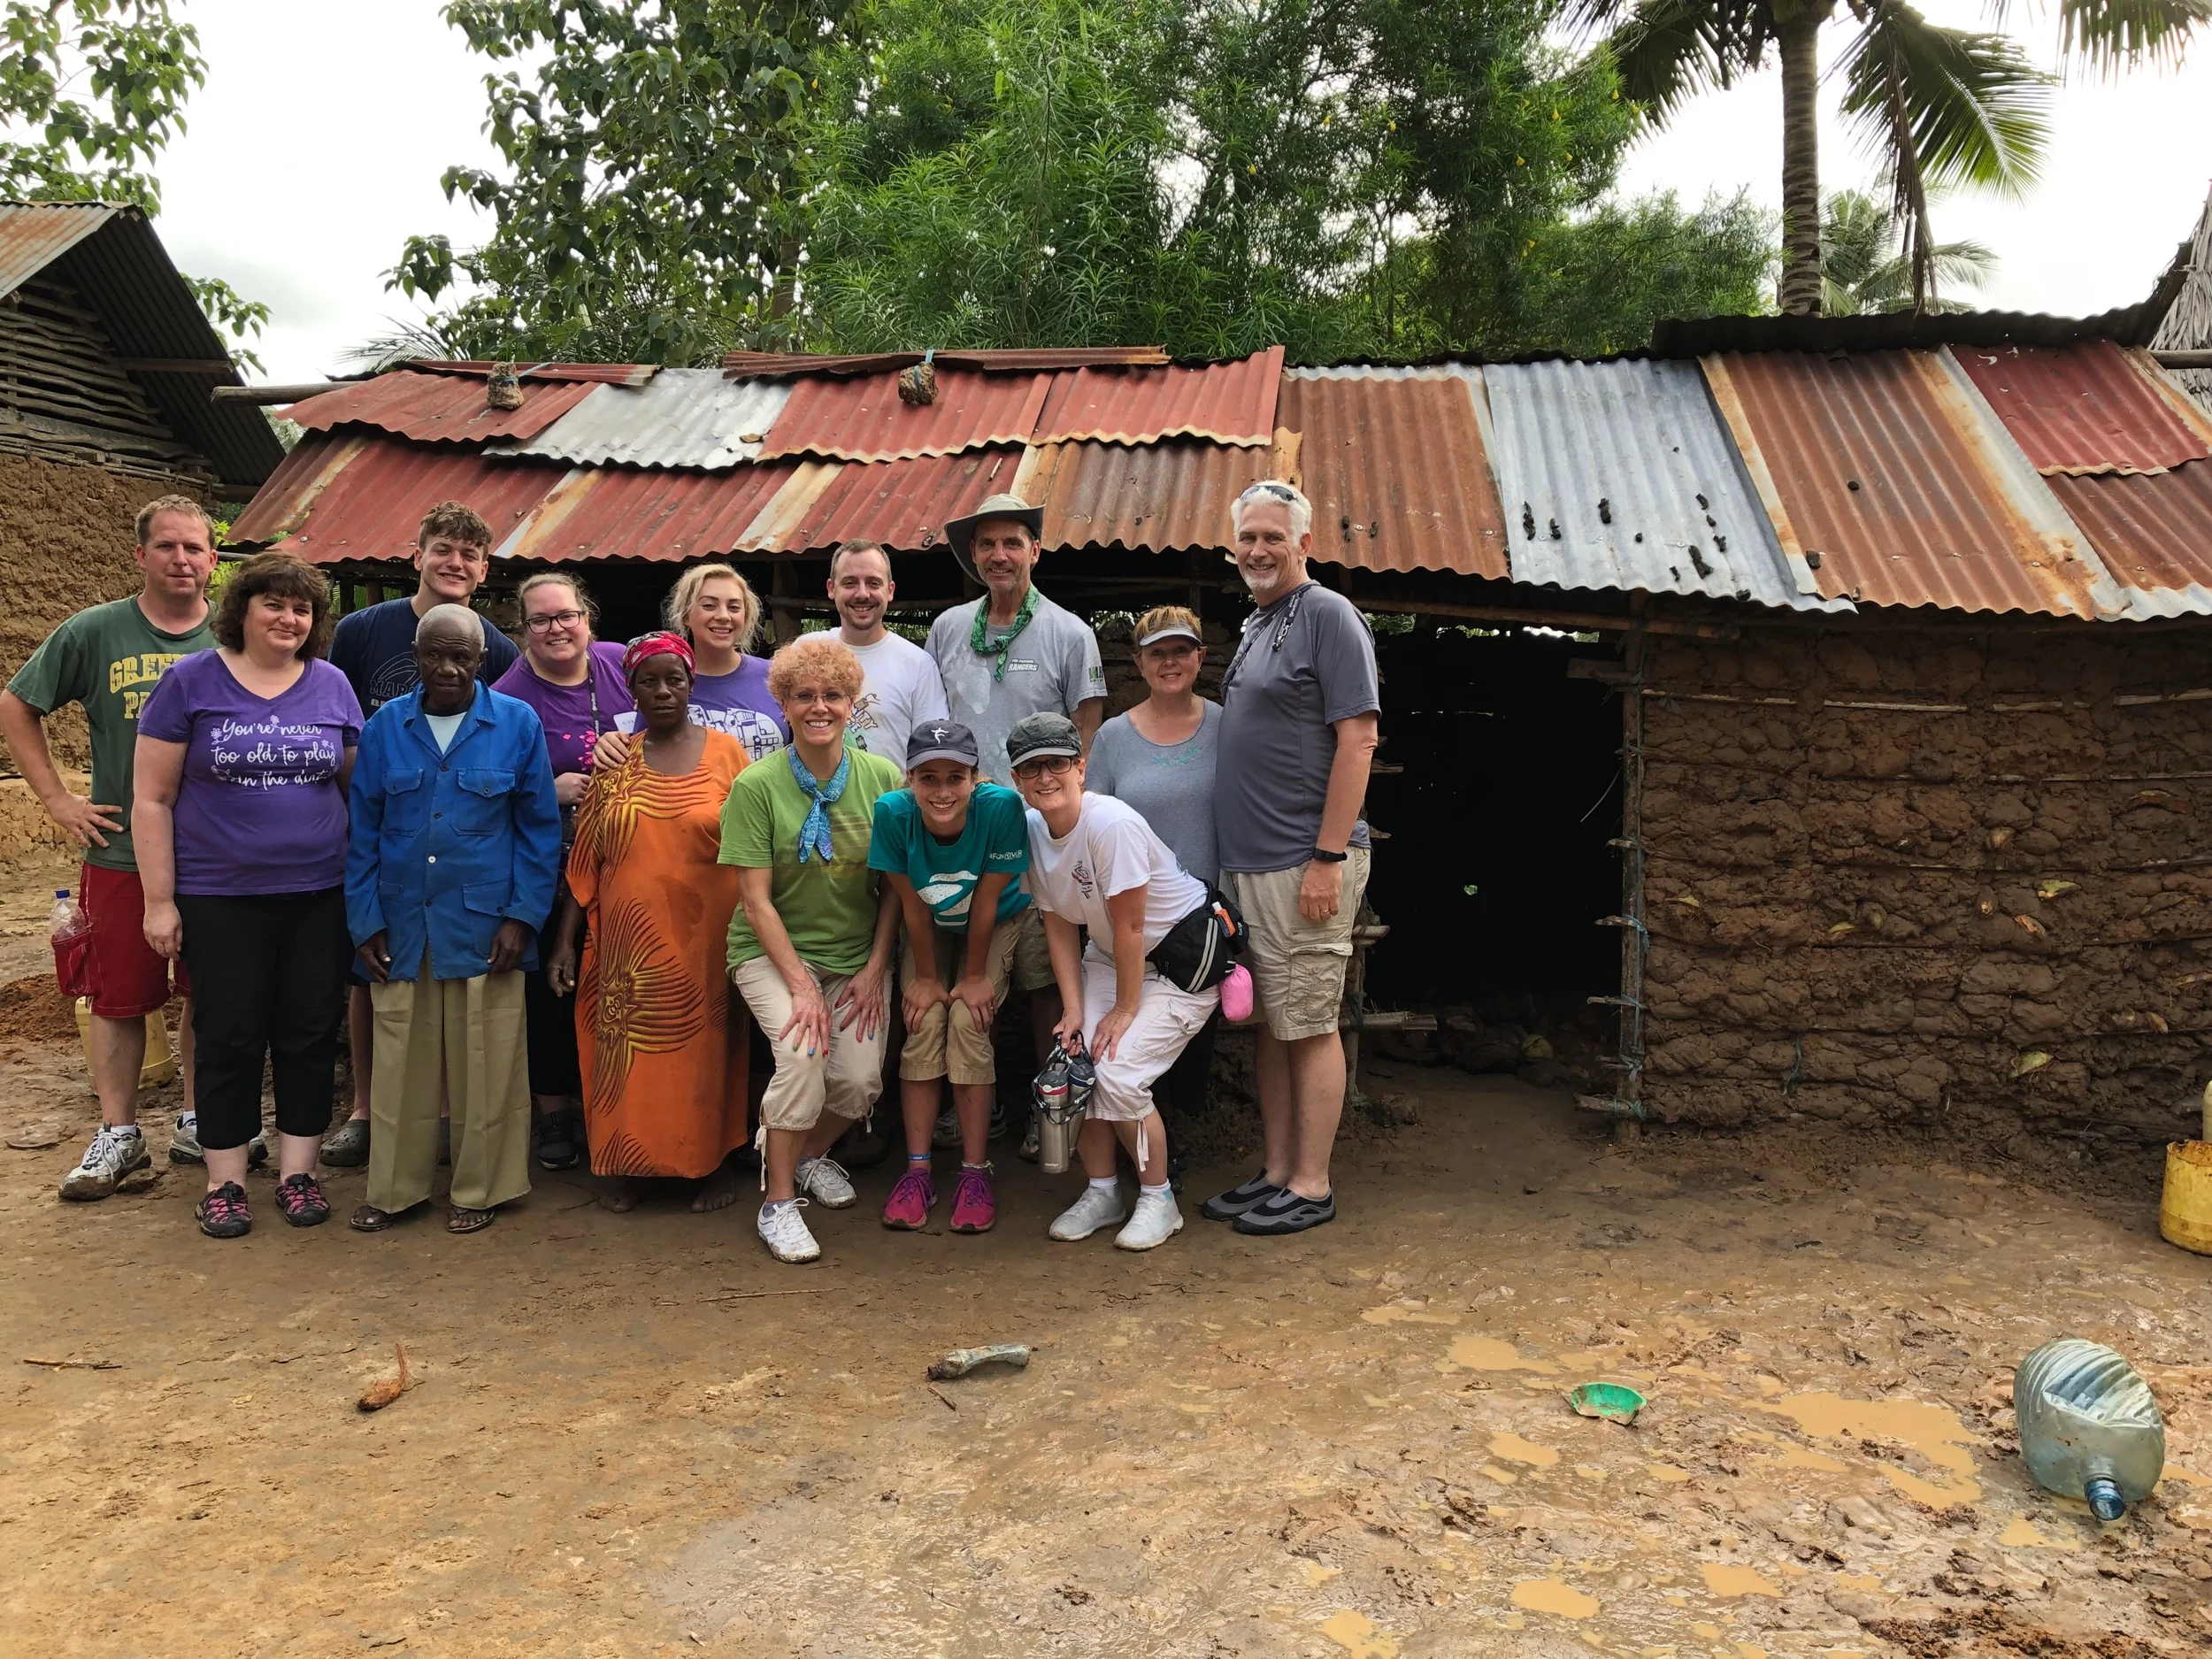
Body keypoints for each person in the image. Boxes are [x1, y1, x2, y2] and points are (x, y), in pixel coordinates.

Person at [132, 553, 362, 1238]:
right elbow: (151, 798)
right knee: (228, 1034)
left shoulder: (331, 685)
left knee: (308, 1032)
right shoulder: (191, 681)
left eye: (302, 608)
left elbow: (357, 790)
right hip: (219, 895)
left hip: (319, 893)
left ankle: (299, 1174)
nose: (289, 618)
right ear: (244, 609)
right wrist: (159, 900)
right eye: (275, 604)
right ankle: (225, 1182)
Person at [1, 495, 211, 1198]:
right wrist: (58, 800)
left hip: (215, 854)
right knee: (118, 996)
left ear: (212, 558)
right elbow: (16, 703)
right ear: (140, 555)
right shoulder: (95, 632)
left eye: (194, 547)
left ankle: (201, 1119)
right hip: (121, 851)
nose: (181, 559)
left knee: (210, 994)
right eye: (167, 546)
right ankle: (119, 1133)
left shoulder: (232, 636)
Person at [345, 604, 562, 1235]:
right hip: (401, 924)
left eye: (460, 657)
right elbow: (363, 832)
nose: (447, 668)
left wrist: (523, 917)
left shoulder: (516, 723)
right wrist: (364, 920)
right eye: (434, 655)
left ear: (481, 660)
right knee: (399, 1062)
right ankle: (395, 1191)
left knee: (487, 1063)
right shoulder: (385, 726)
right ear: (415, 656)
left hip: (487, 926)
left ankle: (480, 1188)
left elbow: (539, 831)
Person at [1202, 481, 1379, 1238]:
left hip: (1303, 859)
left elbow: (1359, 738)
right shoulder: (1259, 622)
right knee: (1274, 1025)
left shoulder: (1328, 615)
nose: (1258, 549)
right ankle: (1276, 1171)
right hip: (1253, 864)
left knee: (1308, 1022)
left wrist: (1328, 857)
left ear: (1304, 543)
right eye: (1247, 536)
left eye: (1273, 536)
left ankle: (1312, 1183)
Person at [322, 501, 520, 1171]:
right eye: (443, 549)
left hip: (464, 854)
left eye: (470, 555)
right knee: (374, 983)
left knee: (461, 1003)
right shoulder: (362, 631)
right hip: (383, 834)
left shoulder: (498, 650)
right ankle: (364, 1112)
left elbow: (506, 750)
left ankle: (449, 1126)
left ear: (484, 569)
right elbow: (337, 718)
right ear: (418, 556)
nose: (455, 563)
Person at [544, 634, 751, 1213]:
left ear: (691, 685)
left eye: (674, 680)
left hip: (707, 940)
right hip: (624, 948)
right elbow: (586, 858)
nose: (662, 691)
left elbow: (755, 845)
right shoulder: (615, 761)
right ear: (631, 689)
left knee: (706, 1055)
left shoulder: (727, 754)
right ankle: (634, 1166)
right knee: (628, 1056)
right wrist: (565, 941)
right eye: (648, 682)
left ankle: (708, 1166)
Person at [925, 493, 1106, 1150]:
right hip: (959, 829)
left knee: (1042, 977)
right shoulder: (949, 628)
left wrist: (1063, 821)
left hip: (1034, 832)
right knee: (966, 975)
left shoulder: (1068, 633)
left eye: (1012, 542)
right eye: (987, 544)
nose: (999, 555)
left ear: (1035, 550)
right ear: (973, 555)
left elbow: (1085, 733)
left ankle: (1048, 1102)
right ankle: (984, 1104)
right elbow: (935, 726)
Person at [720, 635, 902, 1264]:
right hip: (771, 952)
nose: (819, 707)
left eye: (832, 695)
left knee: (859, 1080)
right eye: (804, 695)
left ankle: (807, 1154)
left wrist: (876, 969)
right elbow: (755, 902)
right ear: (784, 704)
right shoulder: (756, 786)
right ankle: (777, 1202)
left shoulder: (882, 780)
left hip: (855, 955)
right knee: (802, 1056)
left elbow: (893, 889)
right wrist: (801, 985)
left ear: (852, 704)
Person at [1009, 712, 1217, 1252]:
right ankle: (1103, 1192)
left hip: (1178, 964)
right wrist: (1074, 1010)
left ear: (1081, 769)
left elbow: (1132, 928)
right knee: (1075, 1060)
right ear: (1017, 780)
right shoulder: (1033, 828)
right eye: (1031, 768)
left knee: (1120, 1074)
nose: (1045, 777)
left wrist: (1124, 1011)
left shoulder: (1111, 824)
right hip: (1108, 958)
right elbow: (1057, 921)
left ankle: (1158, 1198)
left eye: (1056, 764)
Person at [490, 572, 634, 1171]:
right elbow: (483, 787)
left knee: (621, 985)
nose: (557, 628)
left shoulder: (620, 664)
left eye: (567, 615)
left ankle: (617, 1109)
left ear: (586, 618)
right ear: (523, 628)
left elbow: (670, 719)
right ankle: (553, 1113)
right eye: (542, 619)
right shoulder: (506, 695)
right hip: (547, 867)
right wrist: (545, 792)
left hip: (626, 857)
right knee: (552, 991)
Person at [867, 720, 1028, 1235]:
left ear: (975, 779)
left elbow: (987, 898)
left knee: (967, 1021)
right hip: (931, 920)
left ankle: (975, 1172)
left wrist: (975, 974)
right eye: (928, 778)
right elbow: (911, 901)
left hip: (994, 917)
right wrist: (926, 977)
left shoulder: (1000, 808)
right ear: (909, 779)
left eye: (955, 778)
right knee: (924, 1020)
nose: (942, 791)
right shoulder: (893, 813)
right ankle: (917, 1172)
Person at [1085, 606, 1224, 1164]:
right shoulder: (1114, 737)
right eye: (1157, 652)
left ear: (1200, 658)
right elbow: (1091, 820)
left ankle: (1174, 1148)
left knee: (1184, 1037)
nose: (1170, 662)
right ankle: (1133, 1157)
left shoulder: (1226, 726)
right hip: (1130, 914)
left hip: (1199, 917)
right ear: (1138, 663)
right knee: (1125, 1031)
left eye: (1181, 650)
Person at [829, 540, 946, 764]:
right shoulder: (808, 651)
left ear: (890, 590)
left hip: (892, 787)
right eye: (850, 583)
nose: (862, 593)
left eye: (873, 583)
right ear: (831, 588)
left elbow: (931, 751)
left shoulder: (918, 665)